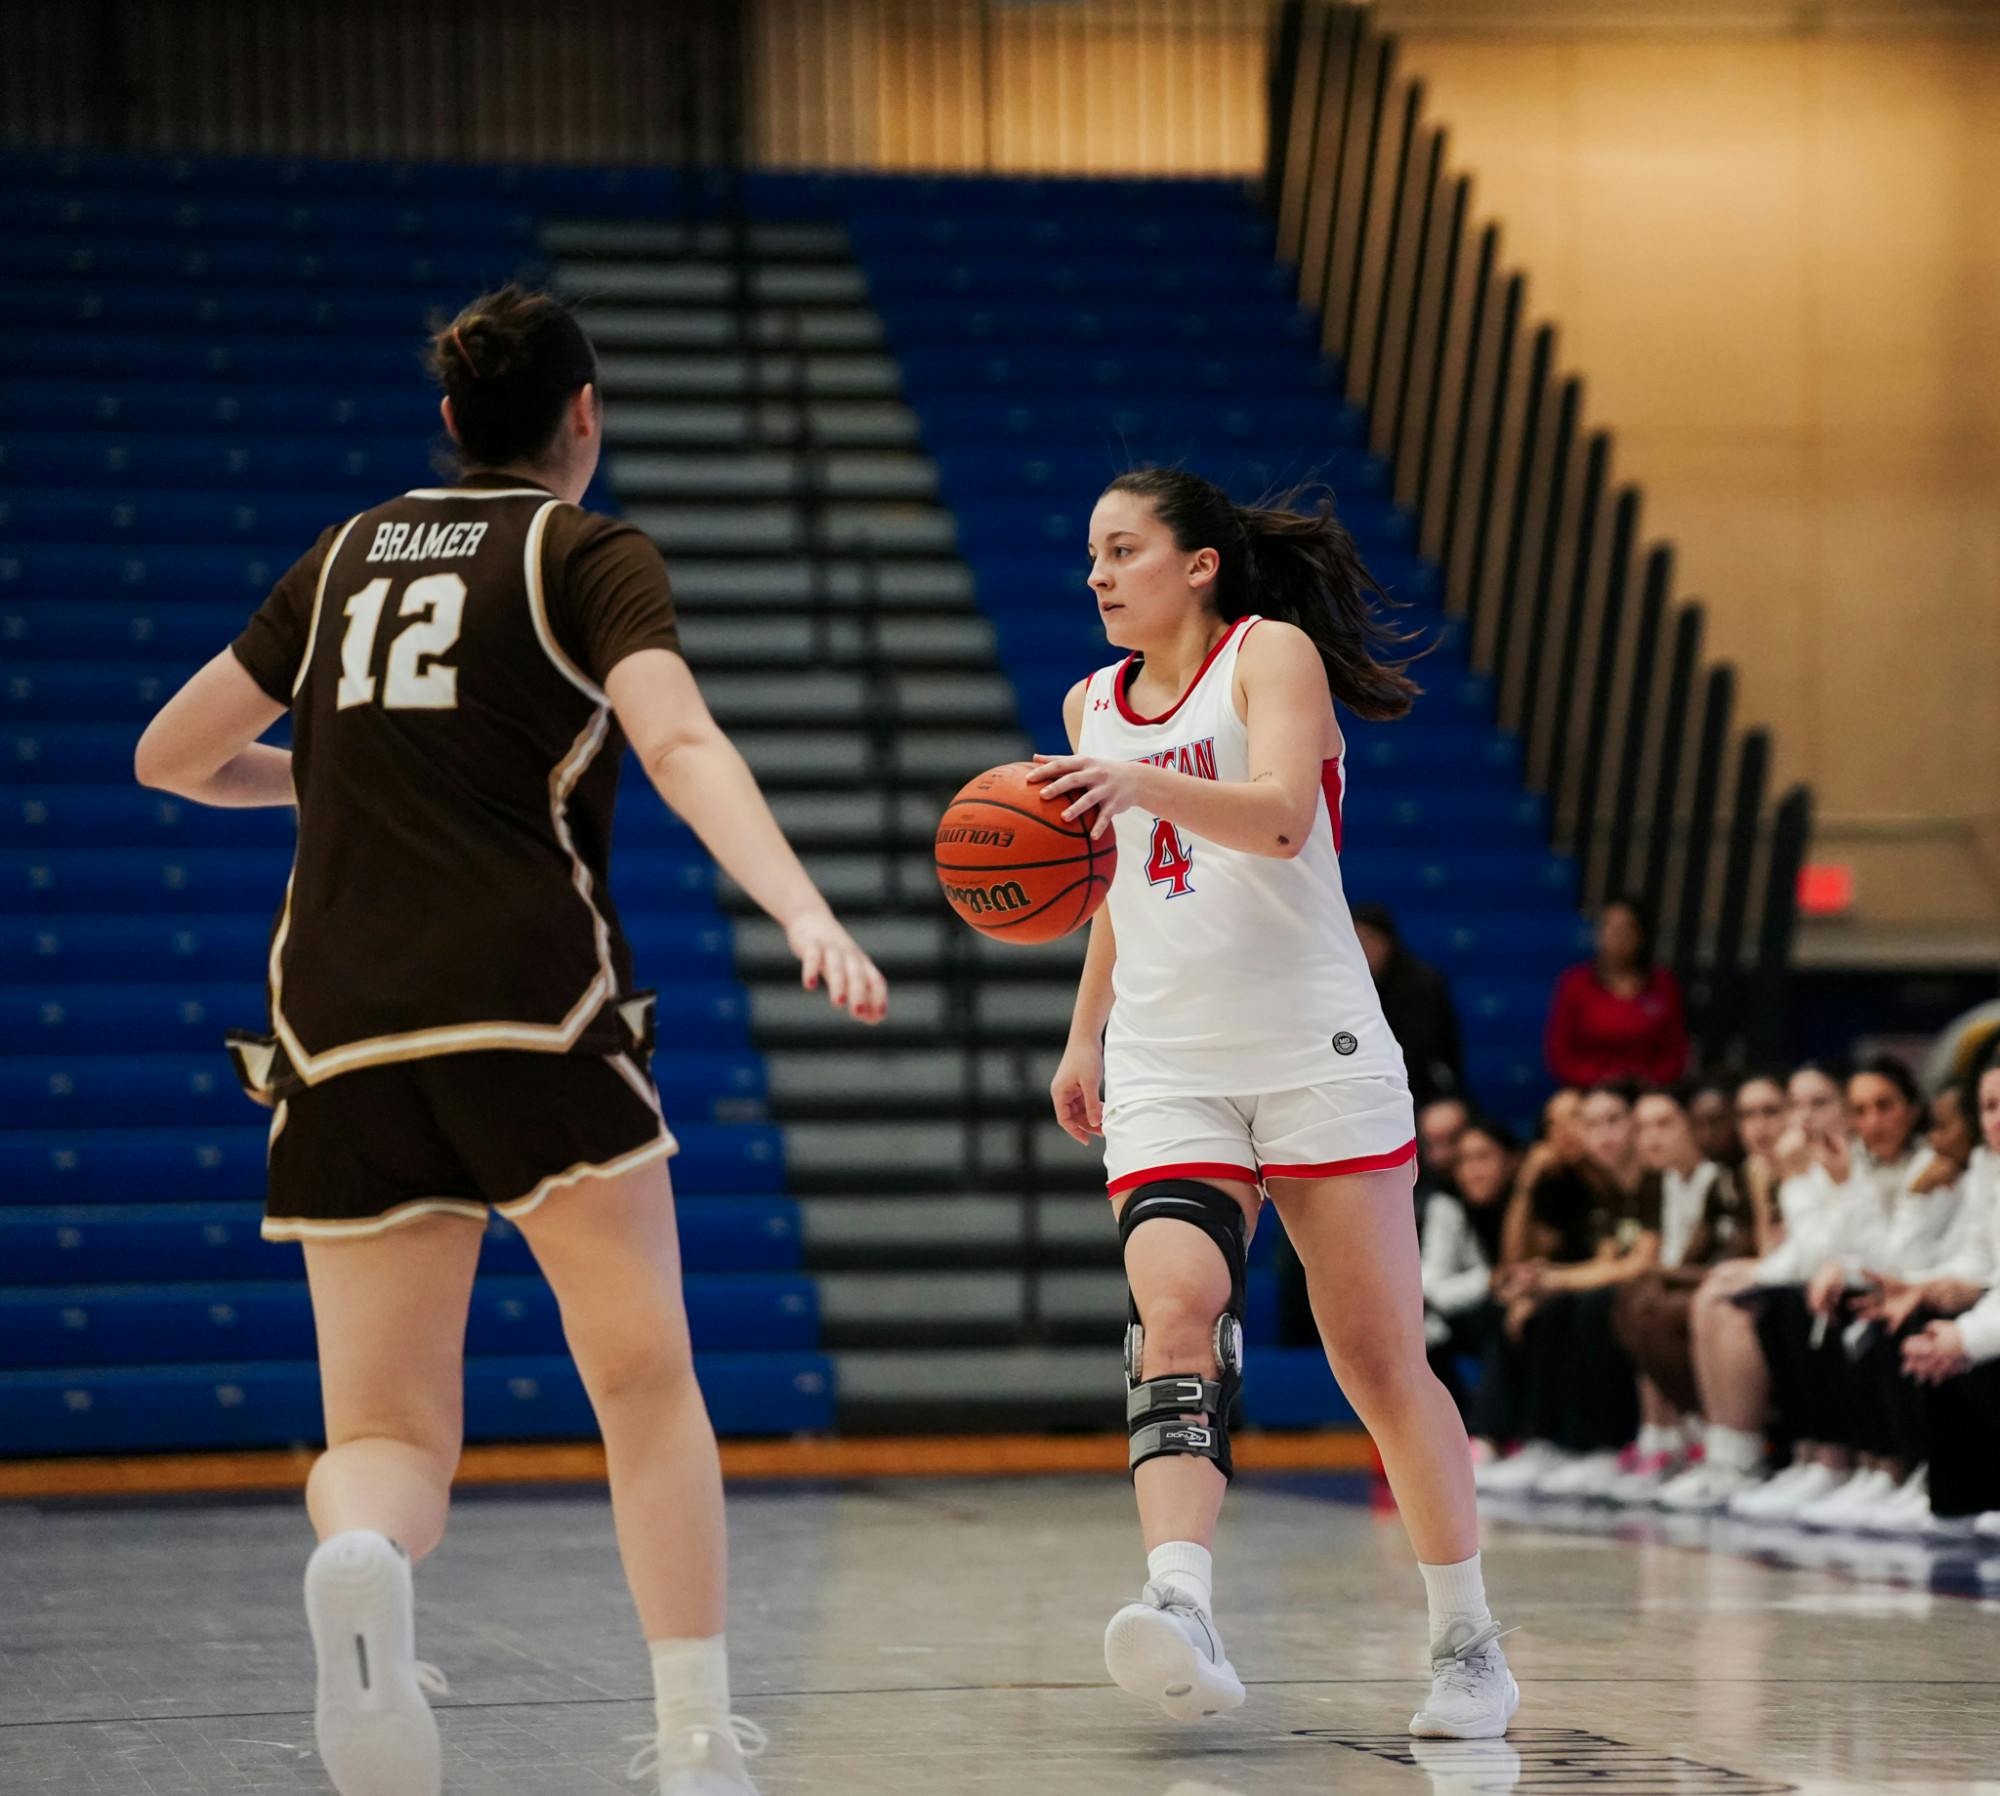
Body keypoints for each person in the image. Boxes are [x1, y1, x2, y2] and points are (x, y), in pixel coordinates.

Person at [133, 286, 888, 1796]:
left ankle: (360, 1556)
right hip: (529, 1009)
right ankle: (691, 1743)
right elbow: (674, 740)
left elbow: (171, 757)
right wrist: (804, 907)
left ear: (450, 424)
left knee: (389, 1431)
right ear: (583, 418)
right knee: (643, 1385)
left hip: (336, 1033)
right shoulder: (588, 552)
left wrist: (348, 782)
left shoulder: (338, 556)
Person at [1033, 469, 1518, 1741]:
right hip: (1167, 1060)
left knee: (1375, 1357)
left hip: (1315, 1044)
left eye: (1121, 547)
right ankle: (1178, 1600)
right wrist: (1084, 1033)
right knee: (1175, 1310)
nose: (1096, 572)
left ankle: (1467, 1640)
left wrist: (1137, 788)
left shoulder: (1267, 654)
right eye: (1091, 552)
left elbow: (1284, 818)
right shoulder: (1089, 702)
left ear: (1196, 564)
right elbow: (1111, 892)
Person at [1604, 1087, 1756, 1502]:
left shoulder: (1718, 1178)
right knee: (1634, 1302)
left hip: (1728, 1284)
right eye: (1644, 1128)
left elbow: (1718, 1254)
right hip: (1703, 1282)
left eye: (1664, 1124)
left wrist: (1659, 1274)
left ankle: (1710, 1435)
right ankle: (1666, 1434)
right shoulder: (1664, 1182)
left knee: (1656, 1306)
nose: (1651, 1138)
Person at [1421, 1118, 1517, 1415]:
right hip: (1464, 1315)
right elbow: (1431, 1286)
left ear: (1511, 1160)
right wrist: (1491, 1279)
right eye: (1464, 1161)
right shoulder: (1447, 1206)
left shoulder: (1525, 1201)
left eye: (1483, 1157)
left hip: (1516, 1306)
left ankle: (1506, 1433)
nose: (1473, 1171)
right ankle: (1465, 1433)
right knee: (1418, 1333)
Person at [1543, 898, 1689, 1090]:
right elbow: (1559, 1053)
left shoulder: (1663, 984)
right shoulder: (1575, 983)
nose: (1616, 936)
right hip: (1587, 1092)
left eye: (1625, 929)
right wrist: (1599, 1080)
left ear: (1641, 934)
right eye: (1608, 927)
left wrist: (1650, 1081)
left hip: (1648, 1093)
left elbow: (1675, 1051)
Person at [1354, 901, 1465, 1109]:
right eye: (1355, 939)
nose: (1363, 948)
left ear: (1388, 941)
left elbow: (1430, 1052)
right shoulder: (1343, 985)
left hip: (1422, 1089)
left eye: (1369, 938)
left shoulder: (1421, 983)